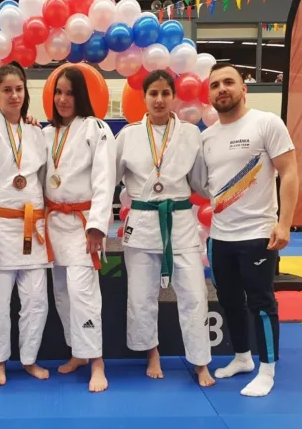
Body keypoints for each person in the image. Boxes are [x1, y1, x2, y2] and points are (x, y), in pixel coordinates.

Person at [200, 62, 298, 397]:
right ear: (209, 95)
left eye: (229, 82)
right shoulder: (207, 137)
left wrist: (284, 223)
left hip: (257, 234)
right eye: (215, 85)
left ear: (244, 88)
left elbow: (290, 172)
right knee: (229, 300)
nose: (222, 89)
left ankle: (267, 369)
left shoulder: (266, 123)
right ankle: (242, 357)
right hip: (220, 236)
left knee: (261, 302)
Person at [115, 70, 214, 387]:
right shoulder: (128, 135)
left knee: (195, 294)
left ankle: (200, 361)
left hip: (180, 222)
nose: (159, 100)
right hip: (142, 223)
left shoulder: (191, 134)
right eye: (153, 93)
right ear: (144, 97)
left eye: (165, 93)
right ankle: (152, 353)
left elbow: (199, 182)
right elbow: (108, 178)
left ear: (173, 97)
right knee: (141, 296)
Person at [0, 62, 51, 386]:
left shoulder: (36, 131)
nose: (14, 95)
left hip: (33, 227)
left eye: (19, 89)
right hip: (0, 228)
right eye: (7, 90)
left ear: (25, 91)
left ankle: (29, 359)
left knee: (36, 300)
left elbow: (43, 181)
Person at [42, 66, 116, 393]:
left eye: (70, 93)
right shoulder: (46, 133)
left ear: (81, 96)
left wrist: (97, 227)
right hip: (54, 222)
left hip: (83, 224)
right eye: (58, 92)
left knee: (83, 292)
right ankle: (78, 352)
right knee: (62, 292)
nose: (63, 99)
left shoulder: (96, 129)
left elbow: (104, 181)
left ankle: (97, 361)